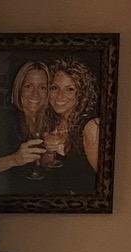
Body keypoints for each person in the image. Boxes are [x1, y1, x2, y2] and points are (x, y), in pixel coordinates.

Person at [39, 60, 102, 193]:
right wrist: (49, 151)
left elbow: (106, 182)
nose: (60, 96)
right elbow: (46, 167)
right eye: (54, 88)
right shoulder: (51, 123)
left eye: (70, 89)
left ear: (82, 94)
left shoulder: (92, 127)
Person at [0, 59, 53, 184]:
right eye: (28, 86)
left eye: (42, 87)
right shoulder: (2, 120)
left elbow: (44, 165)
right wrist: (14, 159)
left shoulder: (49, 122)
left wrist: (48, 156)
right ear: (19, 88)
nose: (35, 94)